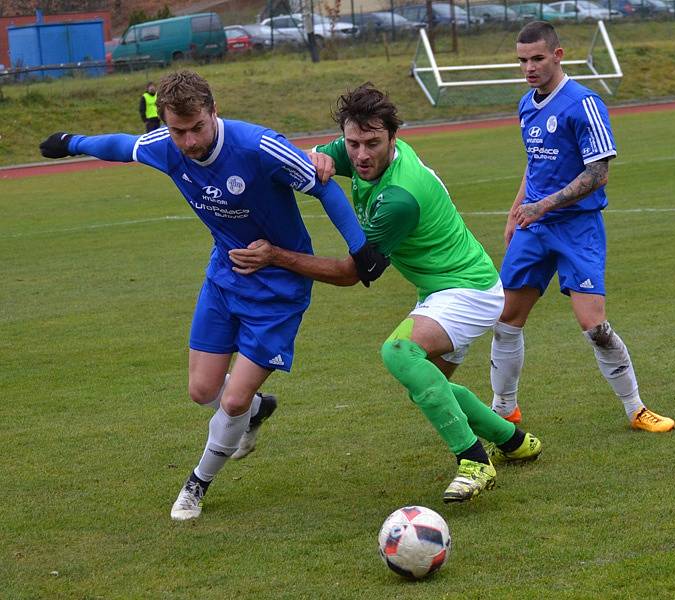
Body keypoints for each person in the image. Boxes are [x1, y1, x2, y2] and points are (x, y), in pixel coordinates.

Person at [38, 70, 383, 521]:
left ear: (213, 113)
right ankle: (257, 411)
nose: (188, 141)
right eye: (178, 131)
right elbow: (122, 146)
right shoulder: (166, 146)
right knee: (203, 391)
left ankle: (197, 483)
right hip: (225, 277)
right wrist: (71, 141)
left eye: (196, 127)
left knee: (232, 400)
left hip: (278, 287)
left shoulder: (258, 147)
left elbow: (324, 188)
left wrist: (361, 248)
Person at [228, 83, 543, 504]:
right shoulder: (355, 149)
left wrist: (275, 256)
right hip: (440, 288)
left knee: (399, 352)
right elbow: (309, 158)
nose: (360, 155)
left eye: (373, 143)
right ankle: (514, 442)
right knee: (430, 385)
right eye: (352, 143)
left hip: (468, 290)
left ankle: (473, 461)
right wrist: (314, 156)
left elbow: (352, 273)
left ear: (393, 137)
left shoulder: (399, 197)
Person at [488, 21, 675, 432]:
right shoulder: (526, 104)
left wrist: (543, 206)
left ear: (558, 55)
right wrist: (516, 210)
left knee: (595, 327)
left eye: (537, 58)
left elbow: (598, 173)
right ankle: (504, 411)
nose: (529, 68)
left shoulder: (583, 103)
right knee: (505, 323)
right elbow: (535, 163)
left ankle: (635, 408)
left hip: (577, 228)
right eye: (522, 60)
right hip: (533, 229)